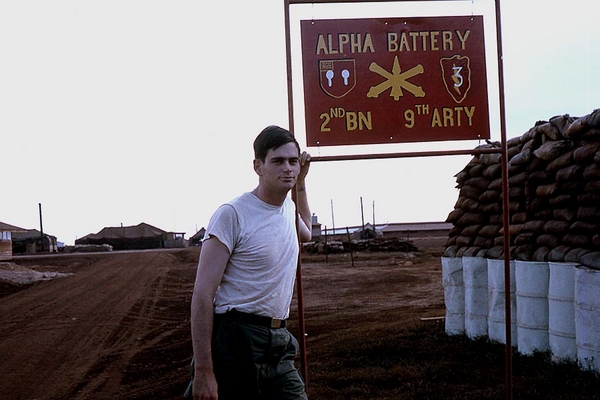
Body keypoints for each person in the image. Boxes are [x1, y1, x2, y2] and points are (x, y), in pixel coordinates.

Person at [189, 125, 312, 400]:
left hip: (279, 341)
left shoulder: (289, 210)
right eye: (278, 161)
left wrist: (302, 184)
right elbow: (202, 294)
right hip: (236, 341)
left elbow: (307, 231)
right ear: (258, 166)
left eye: (293, 161)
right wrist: (204, 370)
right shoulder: (232, 214)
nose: (288, 169)